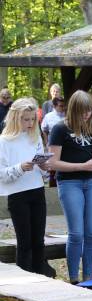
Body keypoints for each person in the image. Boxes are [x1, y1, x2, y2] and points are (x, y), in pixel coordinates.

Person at [48, 90, 92, 283]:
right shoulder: (59, 129)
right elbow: (52, 163)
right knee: (77, 233)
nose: (87, 115)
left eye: (90, 111)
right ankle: (73, 279)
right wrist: (83, 166)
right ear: (74, 110)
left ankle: (88, 278)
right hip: (70, 183)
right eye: (83, 111)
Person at [0, 98, 48, 274]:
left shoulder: (35, 137)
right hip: (18, 195)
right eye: (25, 119)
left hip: (37, 191)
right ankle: (24, 283)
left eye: (32, 119)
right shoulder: (4, 141)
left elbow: (43, 171)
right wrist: (20, 167)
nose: (29, 123)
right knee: (25, 242)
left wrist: (44, 168)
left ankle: (41, 278)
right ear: (15, 118)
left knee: (38, 241)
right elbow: (2, 174)